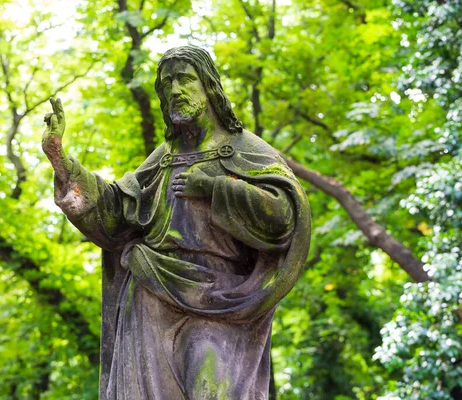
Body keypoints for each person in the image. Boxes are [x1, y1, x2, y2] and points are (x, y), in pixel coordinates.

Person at [42, 45, 311, 400]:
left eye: (185, 79)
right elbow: (116, 212)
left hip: (221, 300)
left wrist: (215, 188)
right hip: (151, 295)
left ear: (209, 86)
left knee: (211, 390)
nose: (175, 90)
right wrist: (61, 160)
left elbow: (284, 218)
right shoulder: (163, 159)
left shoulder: (246, 149)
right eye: (167, 83)